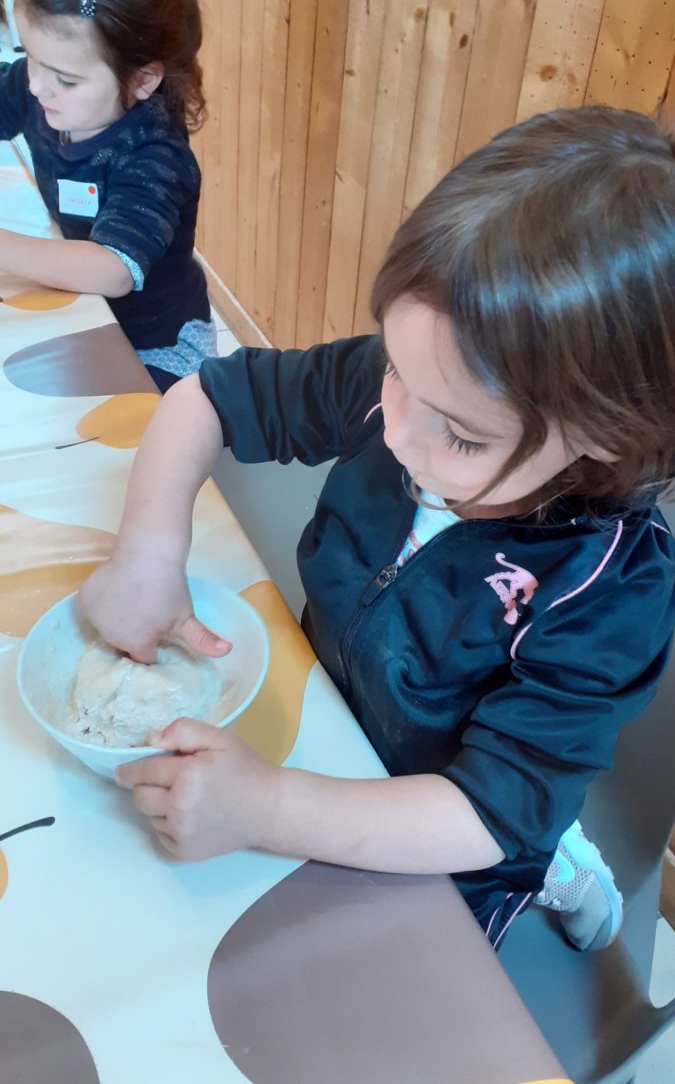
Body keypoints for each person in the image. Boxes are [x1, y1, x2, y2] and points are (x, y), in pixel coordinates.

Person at [79, 105, 675, 951]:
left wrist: (268, 809)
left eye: (459, 436)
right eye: (395, 367)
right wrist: (147, 551)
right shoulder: (423, 382)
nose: (393, 429)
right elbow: (203, 397)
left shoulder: (609, 591)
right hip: (332, 715)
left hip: (448, 826)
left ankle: (559, 861)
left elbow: (486, 817)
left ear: (605, 435)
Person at [0, 0, 215, 391]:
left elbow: (113, 269)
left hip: (159, 348)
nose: (36, 85)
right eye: (30, 56)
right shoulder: (44, 88)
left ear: (142, 79)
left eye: (65, 79)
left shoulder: (153, 155)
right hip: (90, 318)